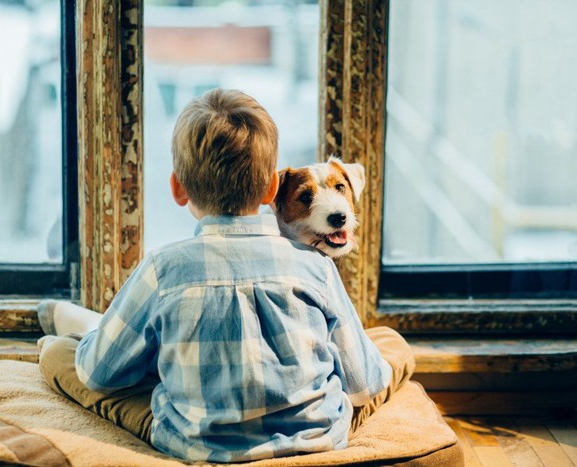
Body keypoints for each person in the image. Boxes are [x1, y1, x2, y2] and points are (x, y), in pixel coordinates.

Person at [37, 88, 414, 463]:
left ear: (177, 188)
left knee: (61, 356)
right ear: (271, 188)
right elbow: (364, 387)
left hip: (197, 444)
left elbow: (98, 375)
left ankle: (83, 329)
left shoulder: (160, 270)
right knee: (388, 343)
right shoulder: (317, 267)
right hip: (314, 441)